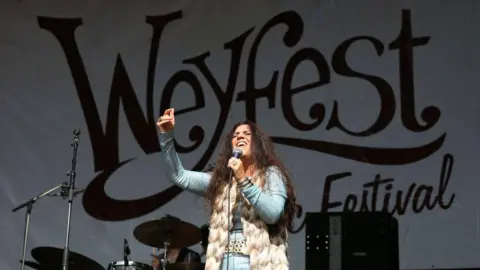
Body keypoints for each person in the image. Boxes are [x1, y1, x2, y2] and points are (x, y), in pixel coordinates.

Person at [157, 108, 297, 270]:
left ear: (257, 144)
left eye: (246, 134)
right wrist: (166, 137)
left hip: (259, 263)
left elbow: (273, 214)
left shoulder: (271, 174)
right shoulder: (221, 181)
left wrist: (243, 180)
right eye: (235, 136)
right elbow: (178, 175)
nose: (240, 137)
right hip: (224, 263)